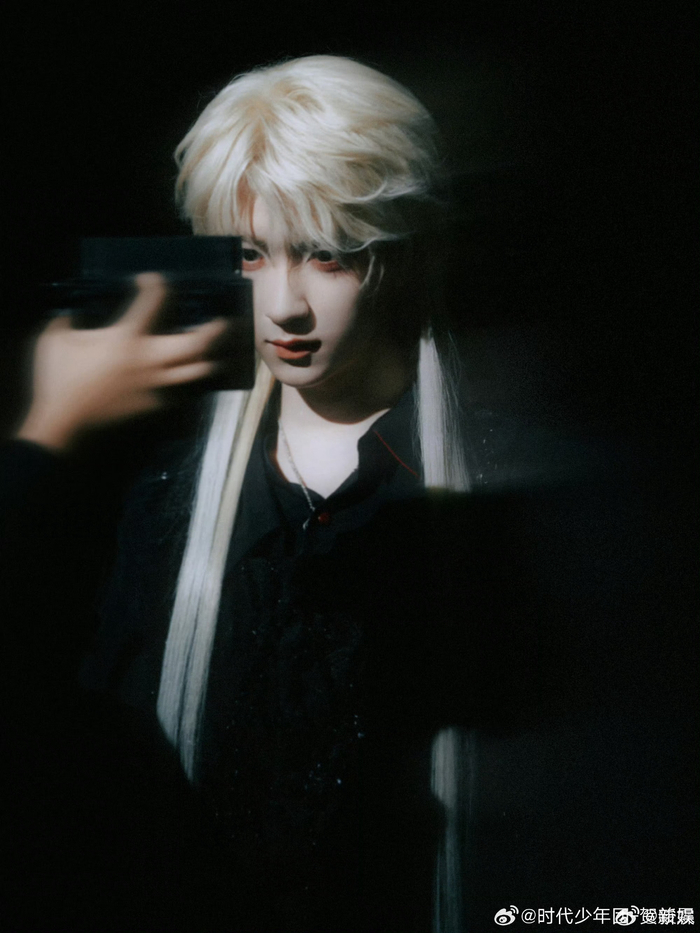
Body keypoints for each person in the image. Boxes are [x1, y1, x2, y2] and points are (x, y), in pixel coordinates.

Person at [8, 56, 531, 932]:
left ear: (402, 251)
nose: (283, 304)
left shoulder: (504, 492)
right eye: (251, 254)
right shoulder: (160, 504)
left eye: (329, 254)